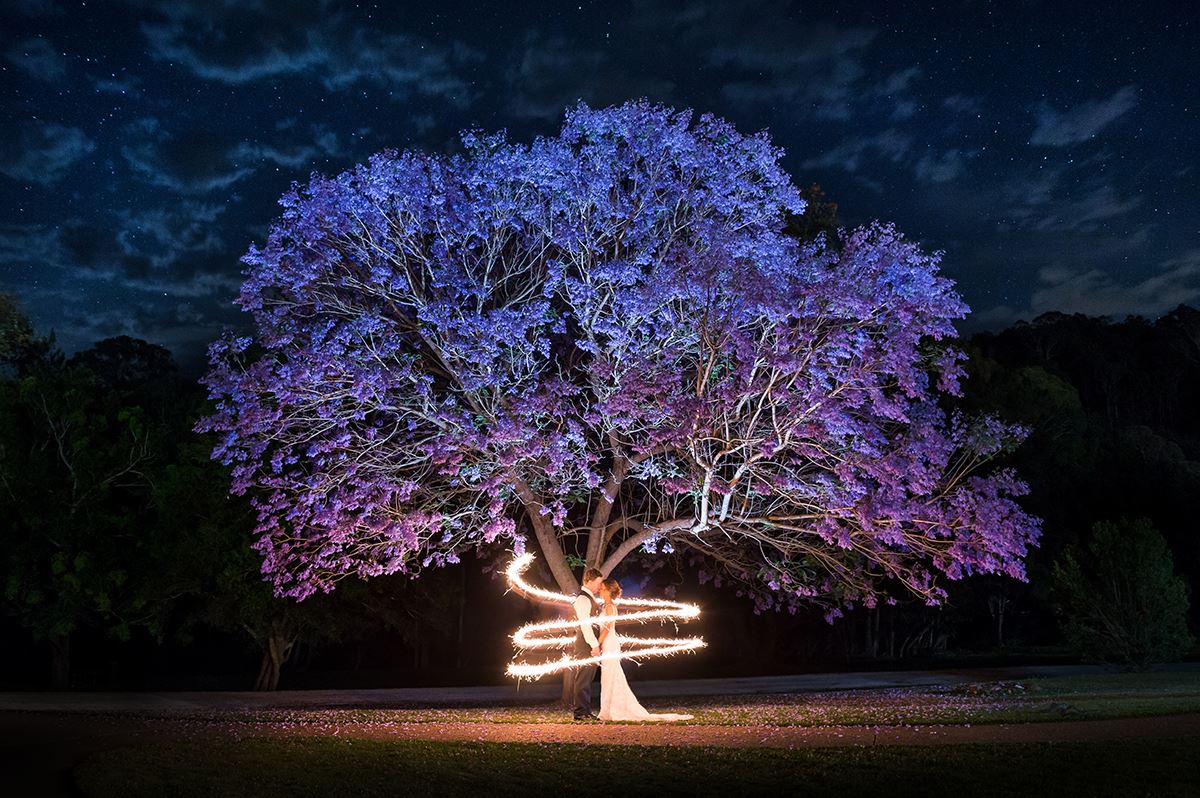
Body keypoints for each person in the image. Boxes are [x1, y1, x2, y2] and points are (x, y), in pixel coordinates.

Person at [596, 577, 693, 722]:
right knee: (609, 676)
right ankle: (608, 709)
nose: (600, 591)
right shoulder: (605, 606)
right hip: (608, 643)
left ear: (609, 591)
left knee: (612, 675)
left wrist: (597, 643)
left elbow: (607, 627)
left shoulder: (610, 607)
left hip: (610, 643)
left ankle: (614, 709)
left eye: (602, 589)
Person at [570, 567, 605, 721]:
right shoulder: (583, 599)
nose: (600, 586)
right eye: (598, 583)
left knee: (587, 678)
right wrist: (594, 645)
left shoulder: (589, 598)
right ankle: (580, 713)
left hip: (588, 643)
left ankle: (585, 711)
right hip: (585, 644)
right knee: (583, 678)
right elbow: (586, 625)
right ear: (589, 581)